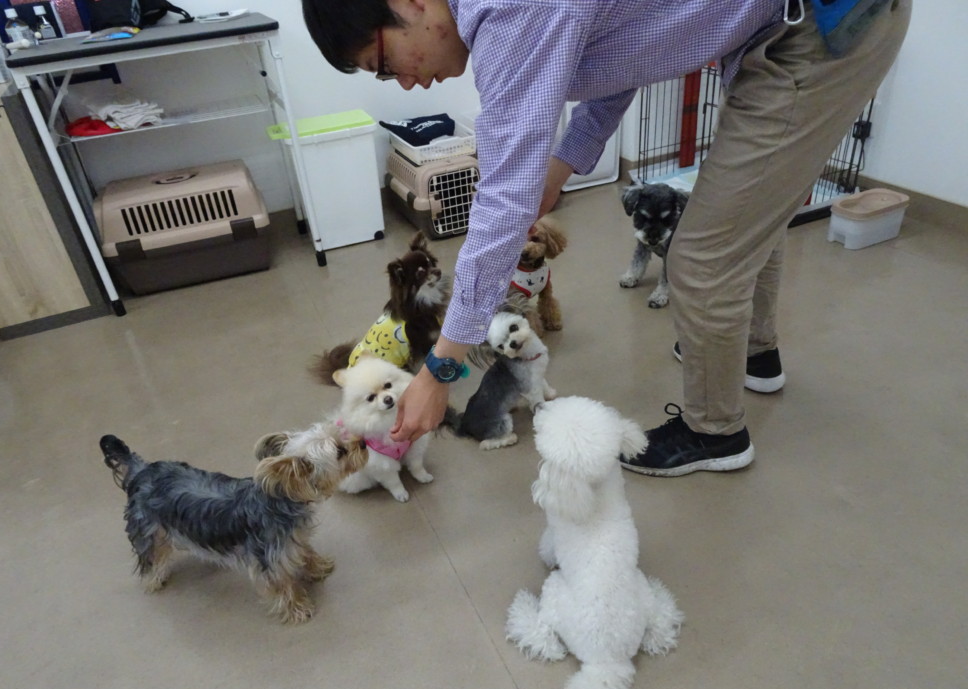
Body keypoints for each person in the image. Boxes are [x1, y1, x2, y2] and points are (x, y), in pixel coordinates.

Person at [301, 0, 911, 476]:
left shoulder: (505, 12)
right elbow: (624, 60)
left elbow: (502, 198)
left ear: (407, 3)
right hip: (776, 29)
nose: (405, 85)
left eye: (385, 64)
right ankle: (755, 355)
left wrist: (440, 370)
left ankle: (716, 433)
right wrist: (558, 171)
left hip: (821, 29)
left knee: (700, 256)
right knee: (747, 212)